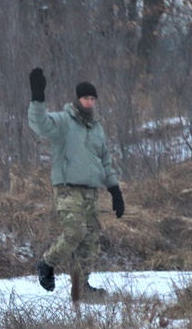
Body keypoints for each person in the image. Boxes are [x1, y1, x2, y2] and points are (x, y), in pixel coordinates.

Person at [27, 68, 125, 304]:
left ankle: (81, 287)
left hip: (91, 191)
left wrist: (114, 190)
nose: (89, 102)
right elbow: (39, 124)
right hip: (67, 188)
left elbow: (105, 161)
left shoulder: (97, 128)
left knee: (90, 237)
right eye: (85, 98)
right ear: (77, 99)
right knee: (75, 231)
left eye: (93, 99)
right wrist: (38, 96)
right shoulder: (63, 121)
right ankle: (47, 263)